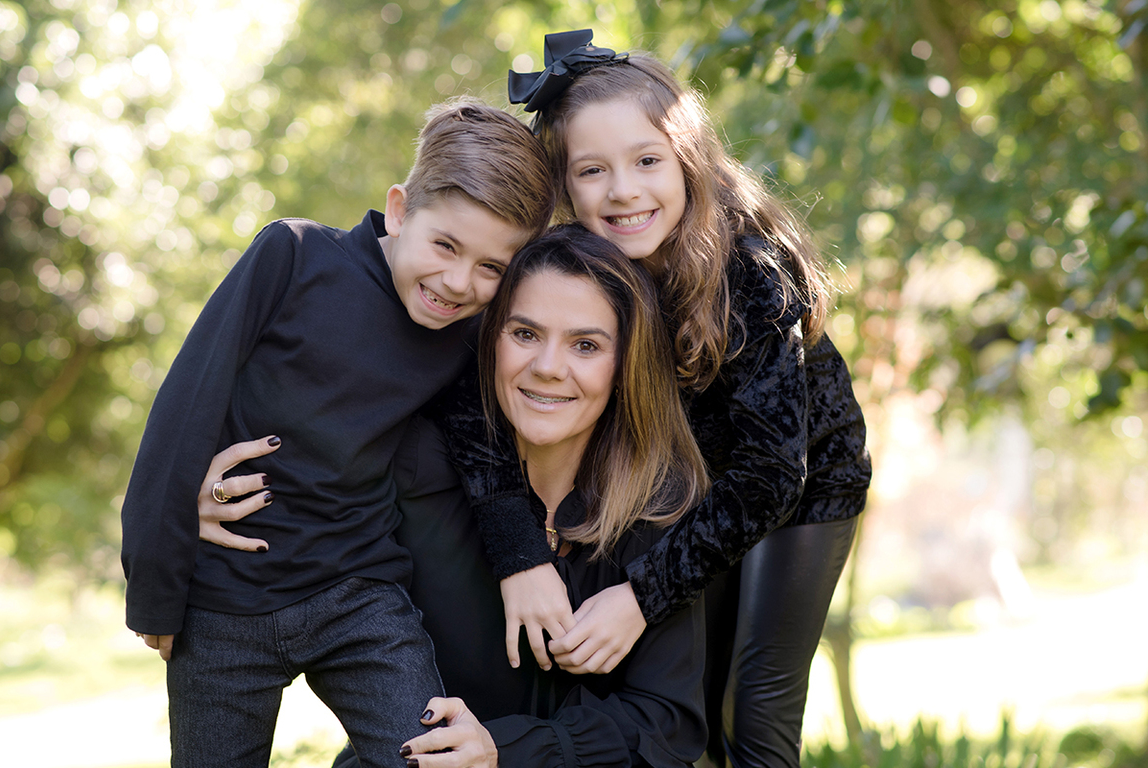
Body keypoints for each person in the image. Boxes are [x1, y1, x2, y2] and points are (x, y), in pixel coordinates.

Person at [441, 30, 872, 768]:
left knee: (751, 712)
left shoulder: (750, 272)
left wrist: (640, 597)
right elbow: (469, 400)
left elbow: (772, 473)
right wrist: (520, 554)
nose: (623, 190)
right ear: (563, 186)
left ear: (689, 161)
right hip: (699, 485)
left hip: (798, 488)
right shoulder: (578, 270)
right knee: (688, 704)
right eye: (592, 170)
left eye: (647, 161)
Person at [119, 99, 553, 768]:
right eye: (445, 246)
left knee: (435, 759)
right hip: (224, 603)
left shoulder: (467, 336)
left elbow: (488, 458)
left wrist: (524, 558)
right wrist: (156, 585)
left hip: (359, 597)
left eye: (491, 268)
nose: (457, 282)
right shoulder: (292, 257)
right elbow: (184, 409)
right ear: (400, 210)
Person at [205, 226, 712, 767]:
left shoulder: (660, 506)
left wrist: (504, 750)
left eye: (585, 345)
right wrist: (207, 499)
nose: (547, 367)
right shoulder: (411, 463)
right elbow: (298, 525)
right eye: (525, 333)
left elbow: (667, 726)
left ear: (626, 362)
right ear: (489, 338)